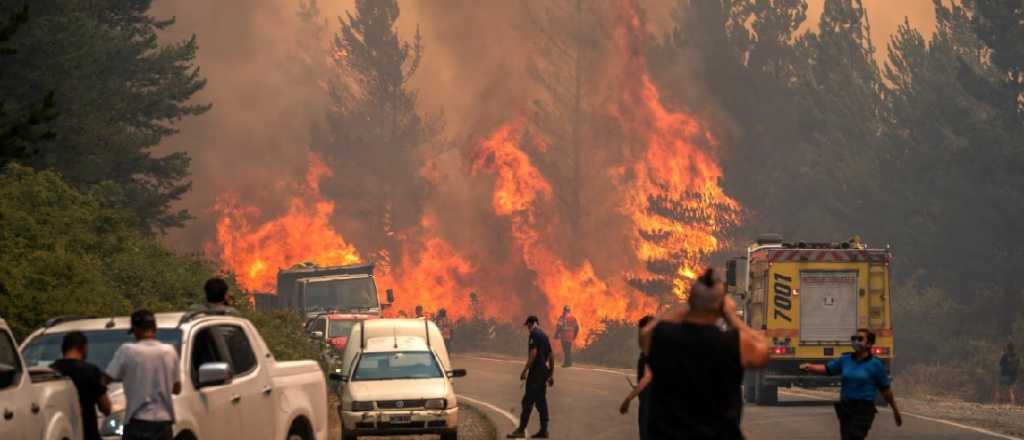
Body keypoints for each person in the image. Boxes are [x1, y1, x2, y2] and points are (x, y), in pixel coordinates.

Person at [640, 268, 769, 439]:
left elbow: (646, 332)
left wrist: (689, 306)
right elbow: (763, 350)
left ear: (691, 301)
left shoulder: (663, 337)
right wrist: (731, 316)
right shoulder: (732, 343)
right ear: (720, 307)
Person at [800, 329, 903, 440]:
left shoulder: (875, 364)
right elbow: (827, 369)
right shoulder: (845, 360)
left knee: (855, 436)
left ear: (869, 344)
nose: (855, 342)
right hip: (846, 407)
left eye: (860, 339)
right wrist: (810, 367)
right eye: (853, 339)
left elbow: (886, 390)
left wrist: (895, 411)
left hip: (864, 408)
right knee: (846, 437)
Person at [106, 310, 182, 440]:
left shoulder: (127, 350)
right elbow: (177, 389)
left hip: (138, 422)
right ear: (155, 329)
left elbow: (107, 378)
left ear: (135, 330)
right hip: (164, 423)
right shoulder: (170, 351)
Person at [51, 331, 112, 440]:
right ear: (83, 348)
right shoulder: (91, 371)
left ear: (63, 349)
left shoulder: (51, 371)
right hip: (87, 434)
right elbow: (105, 408)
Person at [507, 315, 554, 439]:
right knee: (541, 402)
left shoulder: (534, 334)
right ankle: (544, 431)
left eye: (527, 325)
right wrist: (550, 374)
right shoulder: (544, 336)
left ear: (532, 323)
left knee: (527, 402)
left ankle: (521, 430)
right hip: (543, 373)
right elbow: (551, 356)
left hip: (535, 374)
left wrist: (524, 370)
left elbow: (533, 354)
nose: (527, 328)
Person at [619, 315, 655, 440]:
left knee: (646, 433)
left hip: (650, 400)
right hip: (651, 398)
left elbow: (647, 377)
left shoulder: (651, 350)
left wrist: (628, 399)